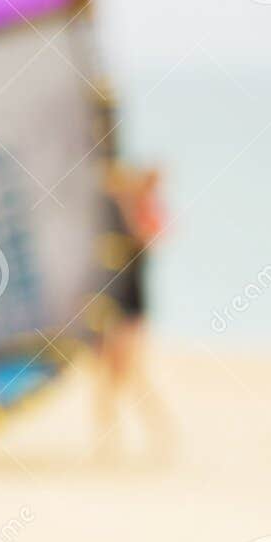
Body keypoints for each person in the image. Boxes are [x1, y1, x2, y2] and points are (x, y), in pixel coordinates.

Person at [95, 162, 172, 459]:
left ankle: (156, 433)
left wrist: (132, 200)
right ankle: (110, 441)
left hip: (129, 308)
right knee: (109, 380)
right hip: (113, 306)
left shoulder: (138, 224)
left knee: (128, 376)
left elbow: (151, 234)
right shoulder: (115, 220)